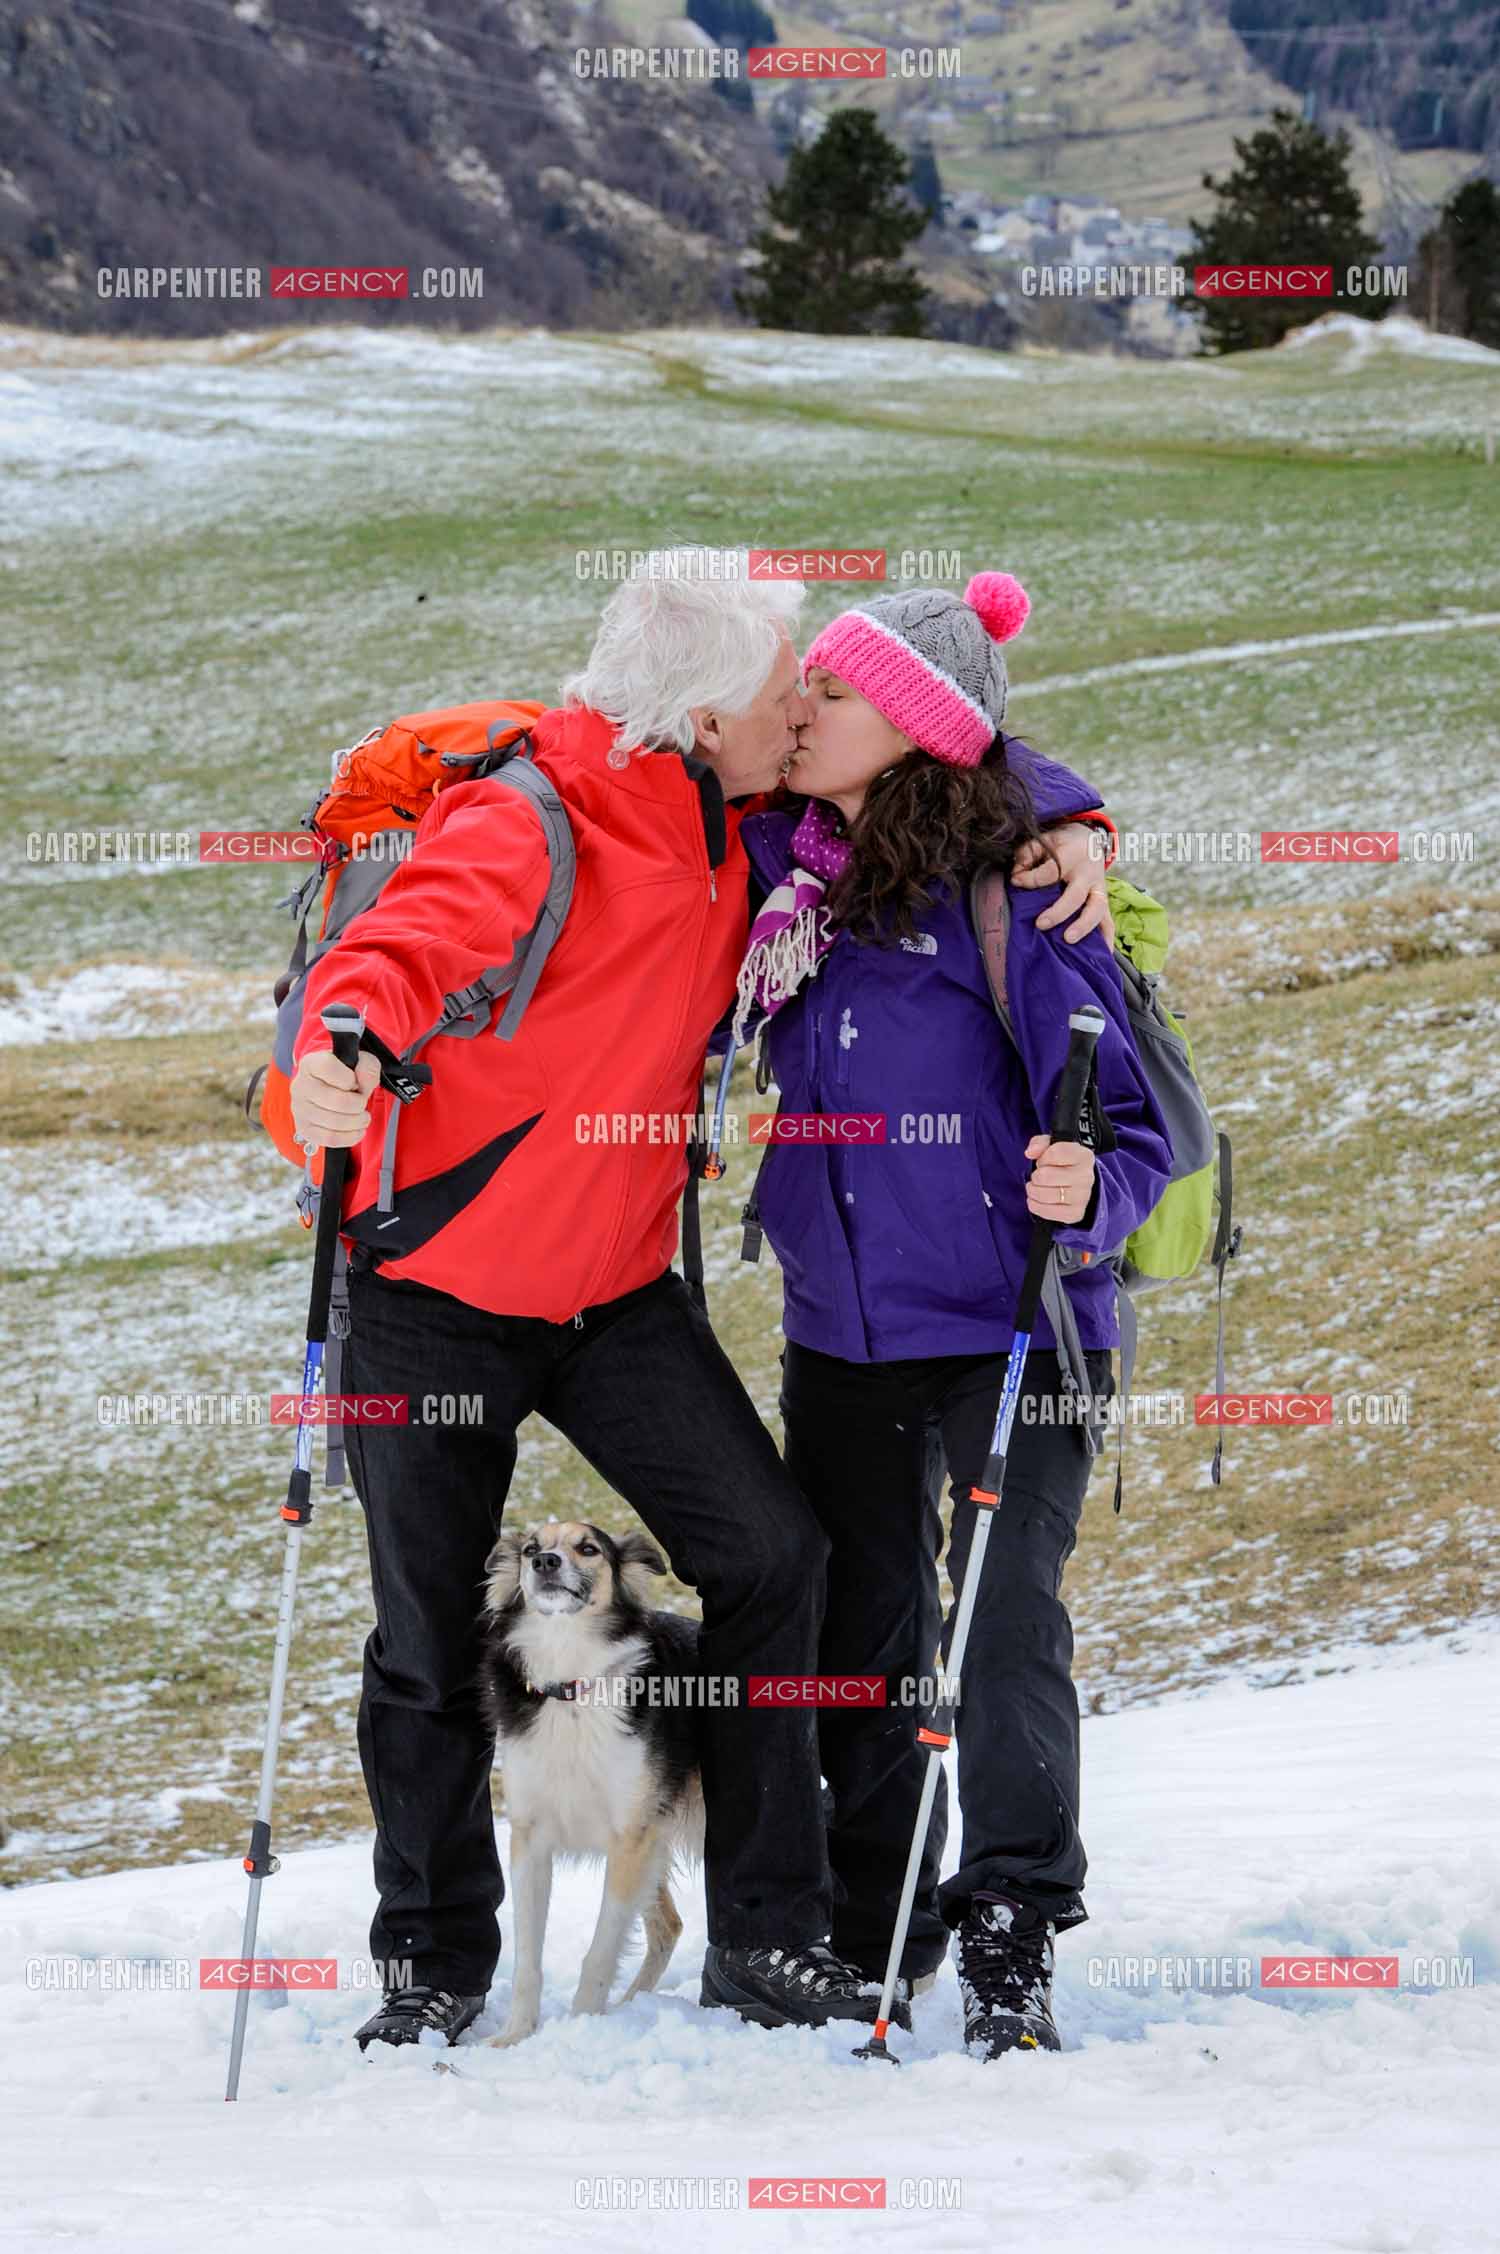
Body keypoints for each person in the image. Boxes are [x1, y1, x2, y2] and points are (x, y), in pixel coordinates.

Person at [289, 550, 1115, 2048]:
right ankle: (432, 1962)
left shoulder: (745, 830)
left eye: (812, 680)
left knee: (772, 1550)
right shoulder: (530, 818)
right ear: (704, 712)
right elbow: (397, 949)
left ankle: (770, 1936)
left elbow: (956, 749)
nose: (802, 700)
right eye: (781, 682)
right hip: (432, 1287)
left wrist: (1075, 818)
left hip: (610, 1299)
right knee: (424, 1633)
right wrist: (339, 1044)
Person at [732, 572, 1173, 2057]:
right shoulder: (786, 870)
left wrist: (1087, 1191)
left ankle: (1012, 1920)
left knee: (995, 1635)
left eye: (836, 697)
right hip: (840, 1328)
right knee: (869, 1630)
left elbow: (1137, 1124)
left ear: (915, 732)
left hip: (1016, 1327)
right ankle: (883, 1907)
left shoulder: (1021, 892)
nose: (804, 714)